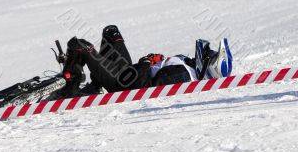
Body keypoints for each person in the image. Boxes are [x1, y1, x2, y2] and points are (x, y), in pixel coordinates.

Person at [61, 25, 233, 97]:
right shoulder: (189, 67)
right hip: (127, 71)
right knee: (111, 32)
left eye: (210, 55)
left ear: (209, 66)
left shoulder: (182, 76)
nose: (205, 52)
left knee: (79, 46)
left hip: (122, 83)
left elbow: (142, 88)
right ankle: (94, 86)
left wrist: (146, 62)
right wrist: (155, 60)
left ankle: (71, 87)